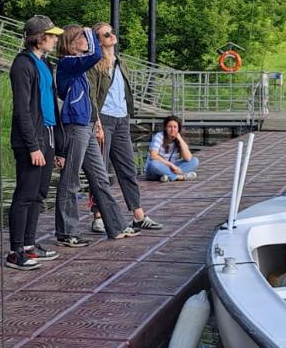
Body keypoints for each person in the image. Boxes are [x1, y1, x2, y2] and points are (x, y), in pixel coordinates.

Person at [53, 25, 133, 246]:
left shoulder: (77, 67)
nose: (87, 40)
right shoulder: (68, 63)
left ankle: (115, 226)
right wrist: (89, 30)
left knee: (101, 178)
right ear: (71, 43)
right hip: (75, 126)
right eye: (82, 37)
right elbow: (96, 54)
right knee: (71, 180)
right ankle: (67, 231)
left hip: (87, 125)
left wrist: (96, 121)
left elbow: (89, 96)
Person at [90, 22, 162, 232]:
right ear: (98, 40)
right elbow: (93, 96)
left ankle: (138, 214)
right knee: (100, 169)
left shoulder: (121, 63)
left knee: (128, 168)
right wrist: (97, 122)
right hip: (104, 119)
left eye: (112, 32)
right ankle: (98, 215)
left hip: (122, 119)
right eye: (106, 34)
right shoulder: (95, 65)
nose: (111, 35)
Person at [6, 16, 65, 269]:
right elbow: (22, 110)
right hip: (32, 139)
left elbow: (51, 105)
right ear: (39, 37)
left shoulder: (45, 64)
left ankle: (29, 245)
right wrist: (33, 146)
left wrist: (58, 147)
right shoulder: (23, 65)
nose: (55, 39)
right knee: (25, 194)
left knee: (39, 194)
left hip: (48, 134)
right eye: (51, 35)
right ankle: (15, 250)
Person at [145, 115, 199, 181]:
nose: (172, 130)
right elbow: (153, 156)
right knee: (154, 164)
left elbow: (188, 158)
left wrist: (180, 139)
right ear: (165, 128)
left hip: (170, 169)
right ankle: (180, 177)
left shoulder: (178, 139)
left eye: (175, 127)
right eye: (170, 127)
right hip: (154, 170)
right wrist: (171, 165)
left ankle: (166, 176)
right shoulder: (159, 136)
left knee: (194, 161)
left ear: (178, 128)